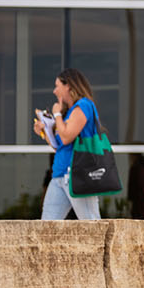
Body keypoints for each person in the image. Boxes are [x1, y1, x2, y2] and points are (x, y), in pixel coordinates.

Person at [34, 68, 106, 220]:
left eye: (57, 86)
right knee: (47, 227)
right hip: (59, 175)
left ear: (68, 86)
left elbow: (66, 137)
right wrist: (44, 131)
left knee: (91, 224)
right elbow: (59, 145)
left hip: (77, 176)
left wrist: (57, 114)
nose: (54, 91)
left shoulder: (84, 106)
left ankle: (102, 245)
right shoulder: (70, 111)